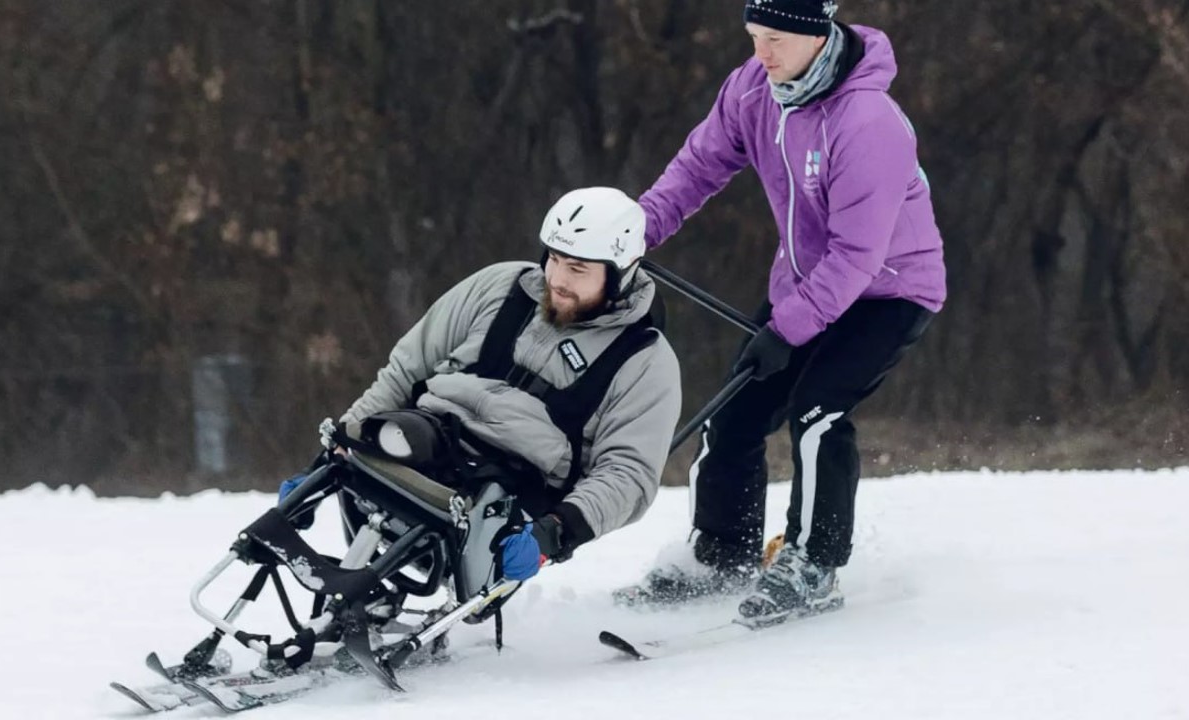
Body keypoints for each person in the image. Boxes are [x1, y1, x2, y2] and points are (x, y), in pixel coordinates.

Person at [620, 0, 946, 621]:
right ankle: (721, 555)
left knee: (818, 410)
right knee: (734, 416)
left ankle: (814, 565)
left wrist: (787, 328)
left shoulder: (868, 121)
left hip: (890, 290)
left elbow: (857, 256)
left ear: (818, 35)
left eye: (775, 38)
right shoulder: (753, 89)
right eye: (752, 36)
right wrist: (631, 234)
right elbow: (698, 166)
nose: (761, 53)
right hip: (804, 281)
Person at [333, 187, 681, 581]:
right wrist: (344, 437)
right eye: (554, 258)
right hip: (431, 434)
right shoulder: (500, 287)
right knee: (384, 440)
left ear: (622, 272)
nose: (558, 279)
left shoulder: (646, 362)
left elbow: (627, 474)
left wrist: (555, 532)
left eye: (578, 269)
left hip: (515, 481)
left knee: (483, 504)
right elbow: (407, 367)